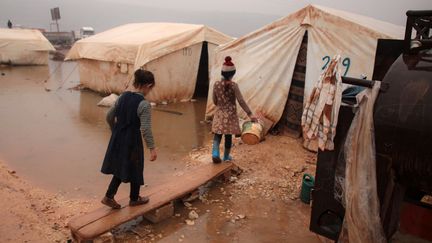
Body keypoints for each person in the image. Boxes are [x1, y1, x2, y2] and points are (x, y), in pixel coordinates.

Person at [101, 69, 157, 209]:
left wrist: (114, 130)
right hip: (132, 140)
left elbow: (109, 116)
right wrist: (152, 148)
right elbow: (145, 129)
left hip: (118, 138)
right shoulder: (144, 104)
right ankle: (134, 199)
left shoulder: (122, 97)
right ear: (148, 86)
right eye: (151, 88)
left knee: (122, 166)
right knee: (136, 167)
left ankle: (109, 196)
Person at [211, 56, 257, 163]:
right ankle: (226, 157)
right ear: (233, 74)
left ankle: (215, 154)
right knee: (228, 136)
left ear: (222, 73)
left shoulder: (216, 84)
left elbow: (214, 100)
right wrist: (250, 114)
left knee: (217, 135)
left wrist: (220, 106)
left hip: (219, 114)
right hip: (231, 115)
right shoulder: (234, 86)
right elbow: (241, 101)